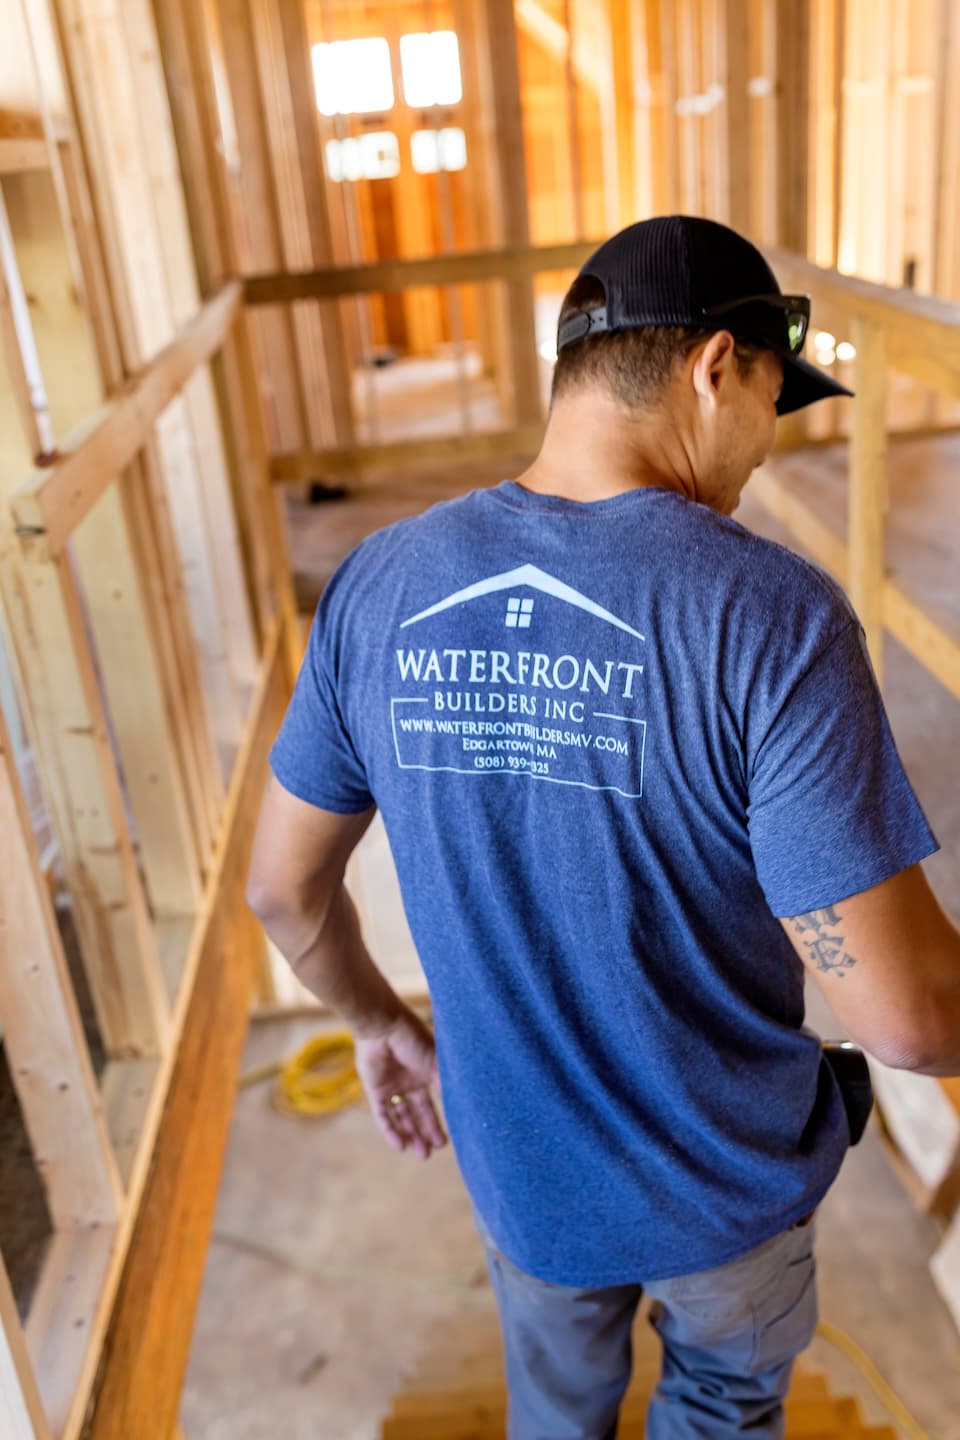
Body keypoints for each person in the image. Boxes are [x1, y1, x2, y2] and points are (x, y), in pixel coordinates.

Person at [246, 215, 960, 1439]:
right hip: (726, 1198)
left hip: (523, 1180)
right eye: (774, 404)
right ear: (715, 367)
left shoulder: (378, 584)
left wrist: (380, 1026)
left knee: (559, 1407)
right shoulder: (772, 617)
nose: (766, 451)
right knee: (723, 1406)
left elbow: (283, 893)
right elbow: (907, 1020)